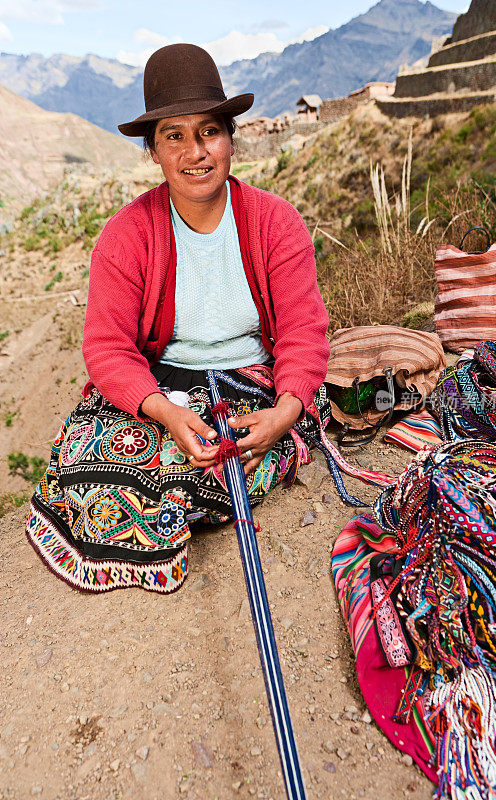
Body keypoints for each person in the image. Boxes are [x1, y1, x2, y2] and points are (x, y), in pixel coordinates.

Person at [26, 44, 330, 594]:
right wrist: (164, 412)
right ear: (153, 151)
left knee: (242, 449)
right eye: (174, 135)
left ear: (231, 139)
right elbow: (108, 348)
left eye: (209, 131)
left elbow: (304, 332)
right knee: (84, 459)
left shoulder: (275, 224)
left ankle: (187, 491)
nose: (196, 152)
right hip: (163, 391)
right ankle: (178, 492)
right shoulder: (127, 235)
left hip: (255, 389)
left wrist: (286, 412)